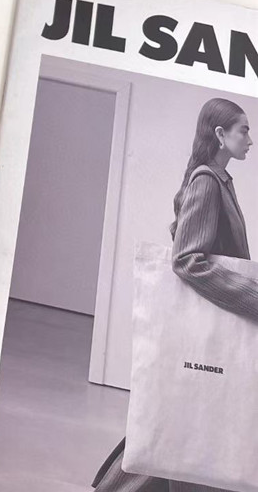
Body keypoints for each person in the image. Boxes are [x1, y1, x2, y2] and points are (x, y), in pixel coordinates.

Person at [92, 98, 258, 491]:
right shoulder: (207, 182)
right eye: (244, 130)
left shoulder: (218, 181)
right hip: (209, 335)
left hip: (211, 332)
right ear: (220, 134)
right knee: (184, 428)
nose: (251, 139)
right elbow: (186, 259)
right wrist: (252, 296)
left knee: (183, 426)